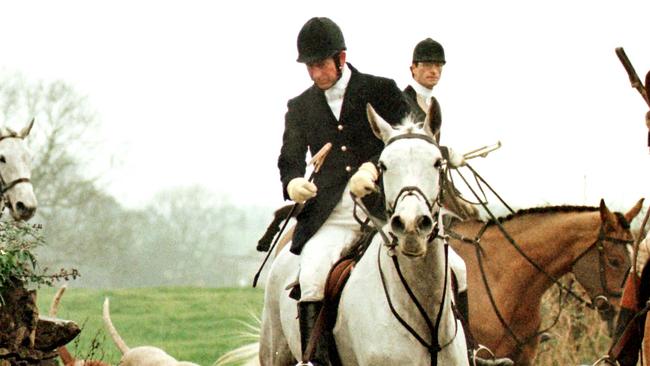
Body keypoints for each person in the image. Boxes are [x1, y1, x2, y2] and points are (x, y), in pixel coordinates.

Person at [278, 17, 411, 365]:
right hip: (331, 220)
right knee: (311, 278)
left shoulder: (382, 90)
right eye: (309, 67)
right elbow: (289, 160)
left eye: (320, 65)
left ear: (341, 58)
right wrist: (293, 184)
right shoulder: (300, 107)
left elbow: (411, 137)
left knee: (453, 267)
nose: (314, 74)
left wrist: (374, 166)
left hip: (386, 214)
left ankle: (471, 350)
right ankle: (315, 361)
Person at [403, 37, 513, 366]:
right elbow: (411, 149)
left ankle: (468, 351)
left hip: (427, 203)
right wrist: (444, 152)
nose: (433, 70)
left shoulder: (434, 106)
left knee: (459, 268)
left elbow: (433, 170)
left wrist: (458, 200)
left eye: (438, 66)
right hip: (403, 206)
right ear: (413, 69)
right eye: (427, 65)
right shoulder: (402, 102)